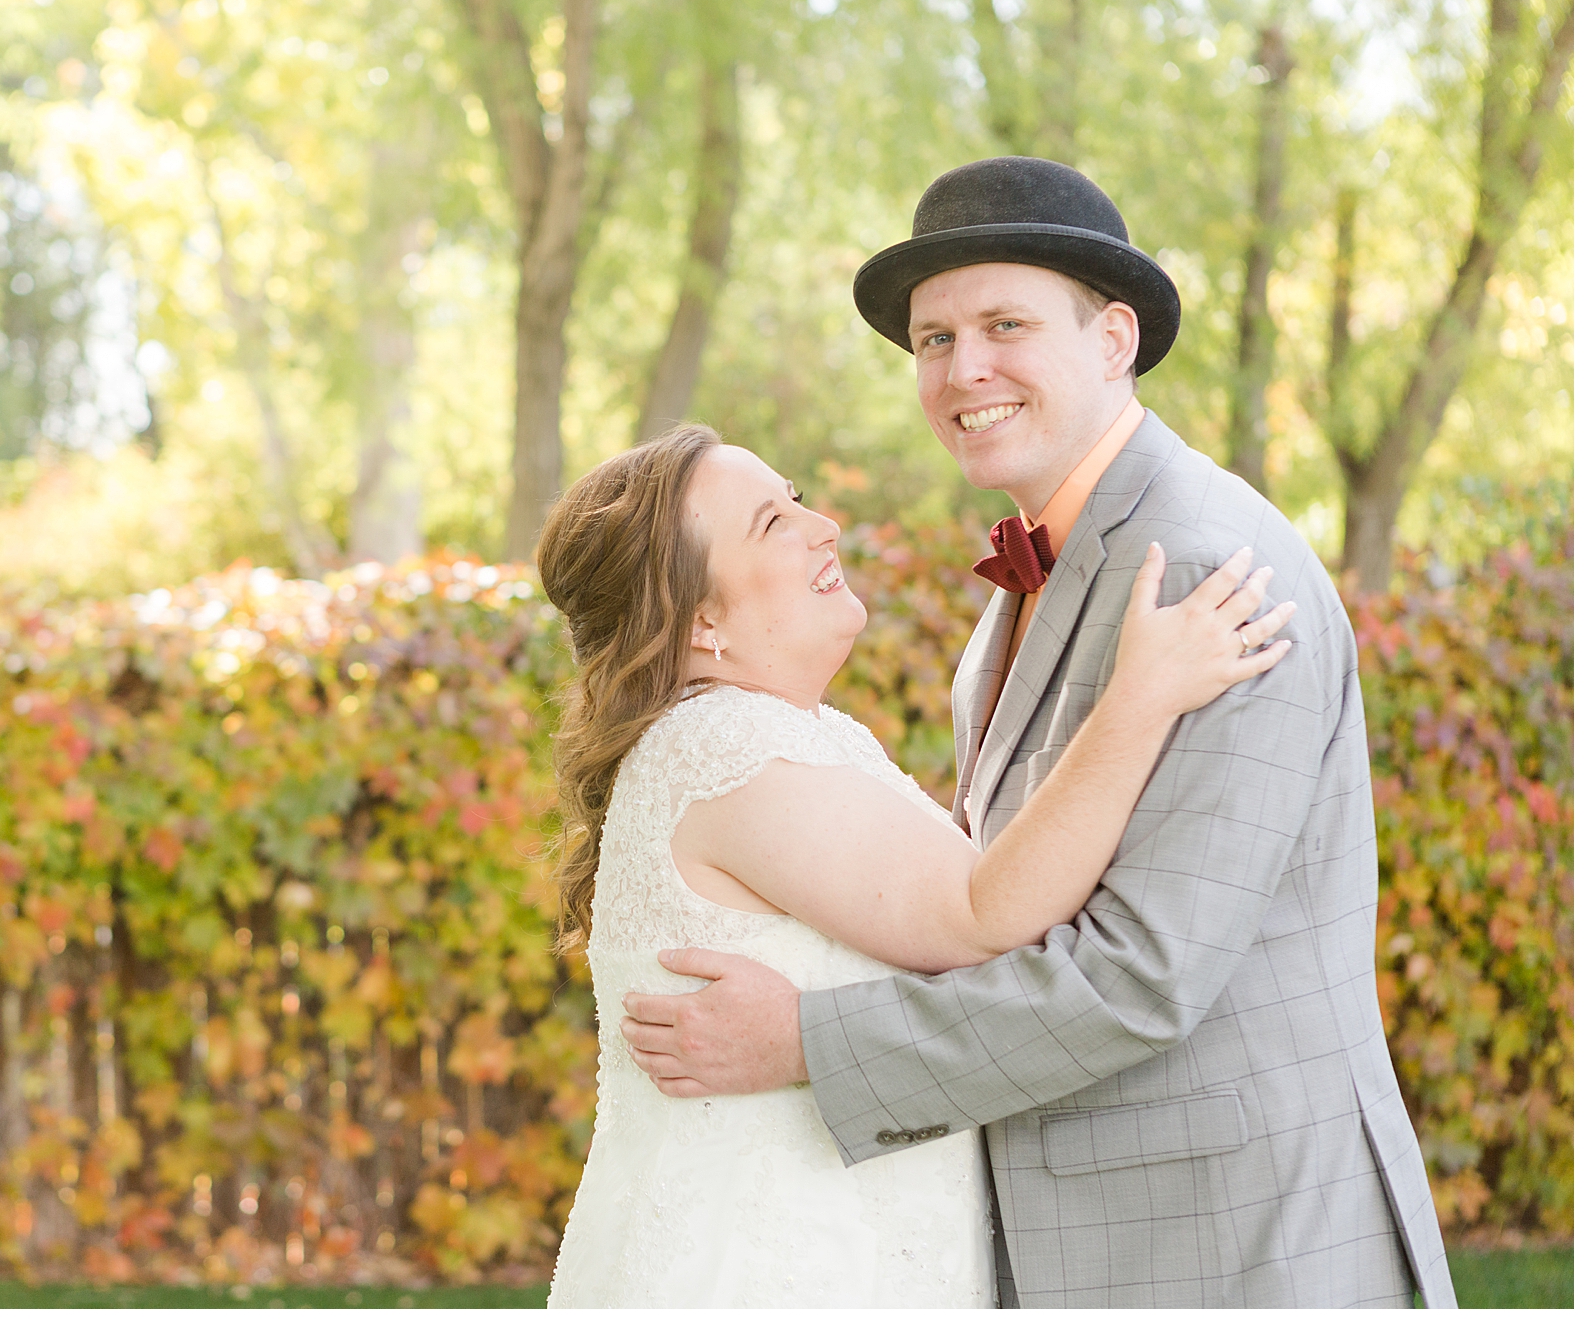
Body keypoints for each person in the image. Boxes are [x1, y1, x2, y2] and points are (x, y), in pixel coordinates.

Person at [617, 156, 1456, 1308]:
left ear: (1111, 340)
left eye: (1003, 324)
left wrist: (810, 1042)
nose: (964, 370)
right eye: (931, 340)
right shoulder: (1023, 588)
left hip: (1234, 1243)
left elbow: (1138, 975)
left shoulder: (1203, 570)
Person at [536, 414, 1296, 1305]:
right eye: (772, 523)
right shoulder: (723, 746)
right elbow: (984, 916)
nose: (823, 526)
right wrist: (1143, 695)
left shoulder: (786, 735)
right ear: (700, 620)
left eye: (797, 500)